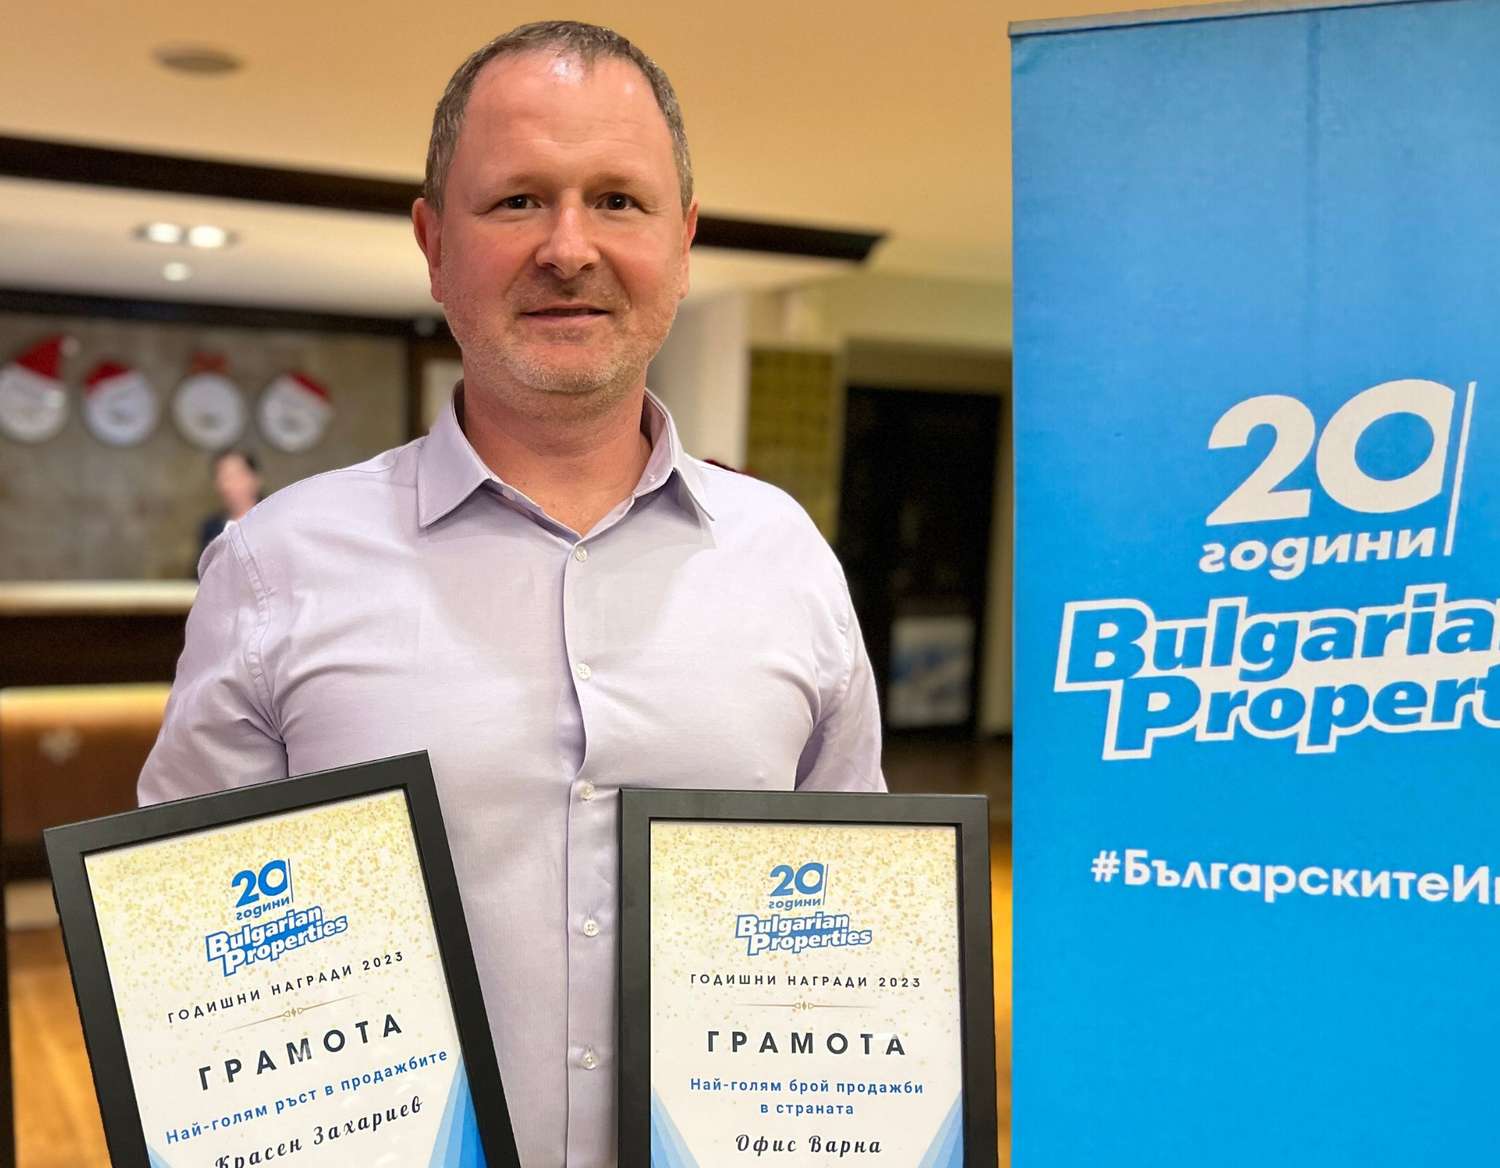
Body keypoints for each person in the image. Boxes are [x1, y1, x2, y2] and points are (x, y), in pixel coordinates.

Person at [139, 20, 883, 1166]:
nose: (569, 248)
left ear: (683, 241)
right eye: (518, 200)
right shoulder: (277, 563)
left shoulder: (786, 557)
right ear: (434, 243)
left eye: (619, 201)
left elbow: (852, 928)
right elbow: (186, 960)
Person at [196, 448, 263, 568]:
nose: (228, 484)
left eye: (235, 476)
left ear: (255, 479)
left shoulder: (272, 520)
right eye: (223, 477)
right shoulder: (211, 528)